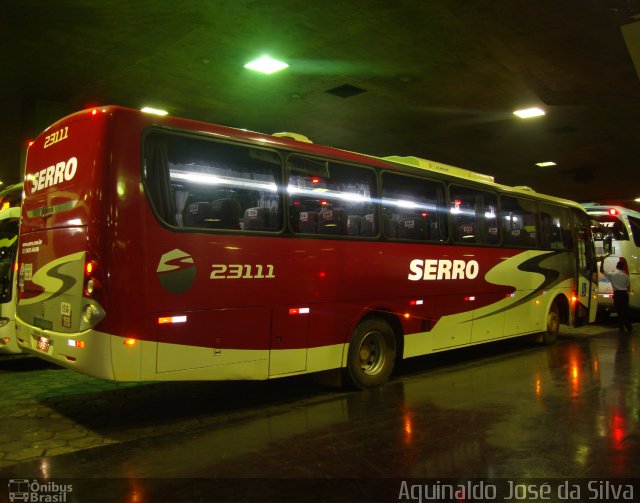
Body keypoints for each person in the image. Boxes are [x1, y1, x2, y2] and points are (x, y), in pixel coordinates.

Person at [600, 256, 633, 333]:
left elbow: (601, 270)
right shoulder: (626, 276)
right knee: (624, 311)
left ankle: (623, 326)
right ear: (623, 267)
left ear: (616, 266)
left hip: (617, 294)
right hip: (624, 294)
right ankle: (626, 326)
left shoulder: (612, 274)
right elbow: (627, 286)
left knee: (619, 311)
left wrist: (602, 262)